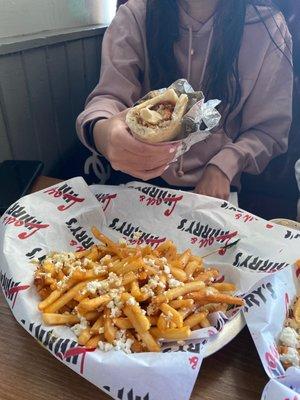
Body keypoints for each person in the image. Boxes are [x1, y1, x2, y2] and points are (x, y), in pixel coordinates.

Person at [76, 0, 293, 200]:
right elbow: (108, 97)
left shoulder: (268, 26)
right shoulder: (135, 15)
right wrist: (104, 134)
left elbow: (270, 131)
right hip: (135, 180)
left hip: (219, 186)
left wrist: (223, 166)